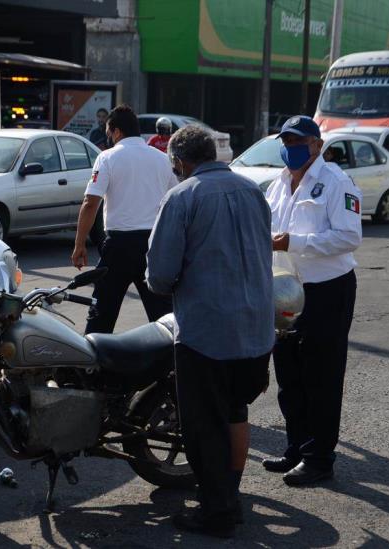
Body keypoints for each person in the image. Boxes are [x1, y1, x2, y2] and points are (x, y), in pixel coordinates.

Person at [146, 125, 275, 539]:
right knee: (236, 412)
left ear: (180, 162)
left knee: (204, 425)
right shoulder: (253, 191)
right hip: (256, 329)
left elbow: (160, 276)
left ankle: (217, 511)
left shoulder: (182, 197)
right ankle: (230, 499)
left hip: (207, 333)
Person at [262, 115, 362, 486]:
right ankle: (296, 448)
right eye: (286, 142)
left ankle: (320, 457)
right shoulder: (278, 183)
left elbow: (349, 237)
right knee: (289, 372)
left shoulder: (337, 182)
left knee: (322, 374)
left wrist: (295, 242)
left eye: (299, 142)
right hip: (284, 289)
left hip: (326, 290)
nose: (291, 149)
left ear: (317, 145)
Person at [71, 104, 176, 334]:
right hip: (153, 245)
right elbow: (175, 201)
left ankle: (94, 367)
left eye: (109, 132)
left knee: (101, 316)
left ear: (116, 131)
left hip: (118, 246)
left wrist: (79, 244)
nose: (109, 137)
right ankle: (172, 366)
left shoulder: (107, 158)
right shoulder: (161, 159)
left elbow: (90, 203)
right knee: (164, 317)